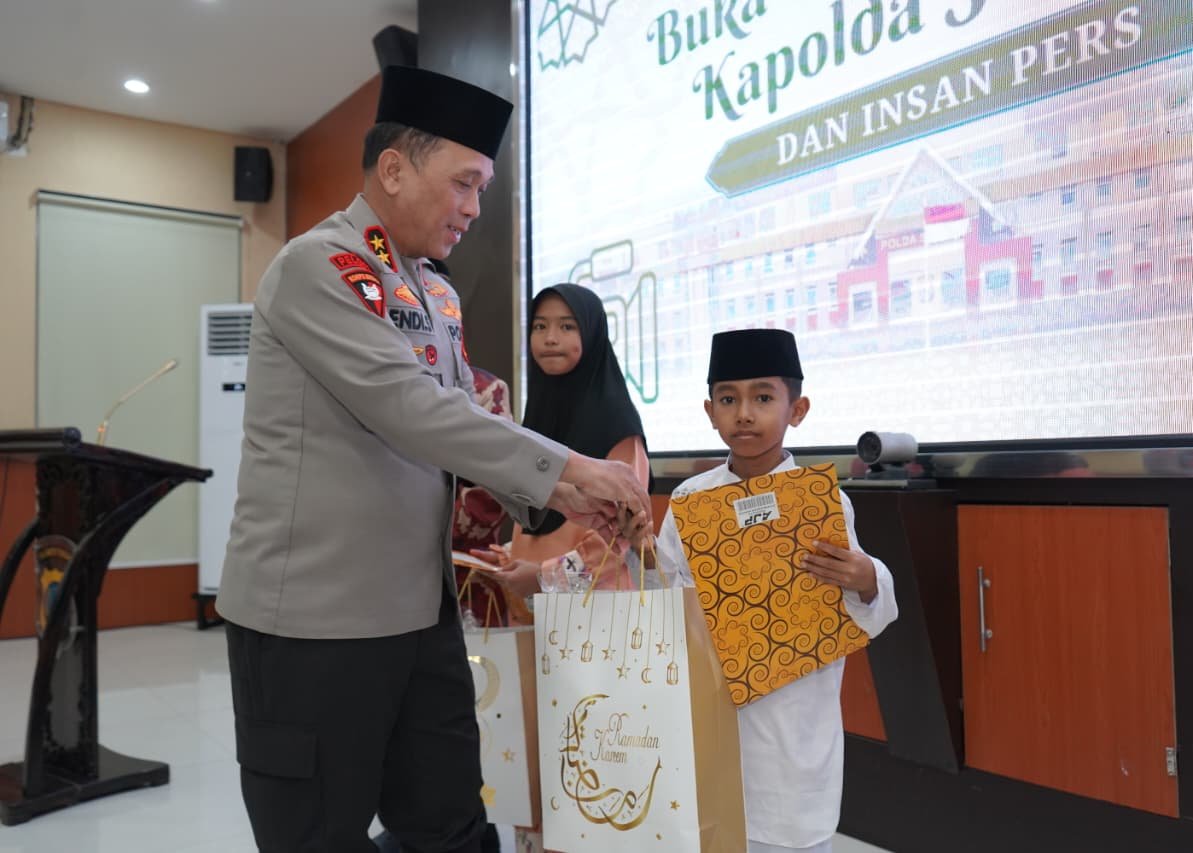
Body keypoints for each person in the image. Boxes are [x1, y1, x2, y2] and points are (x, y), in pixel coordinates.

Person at [215, 66, 649, 853]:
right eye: (465, 183)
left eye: (483, 188)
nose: (475, 208)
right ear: (394, 169)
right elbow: (410, 408)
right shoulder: (321, 267)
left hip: (420, 612)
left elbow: (463, 419)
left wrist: (556, 497)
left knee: (450, 824)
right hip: (315, 622)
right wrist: (572, 471)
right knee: (317, 833)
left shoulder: (433, 293)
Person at [652, 328, 899, 853]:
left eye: (763, 398)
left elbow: (862, 604)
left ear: (797, 409)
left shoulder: (821, 503)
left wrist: (866, 578)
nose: (744, 414)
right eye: (728, 400)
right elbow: (666, 598)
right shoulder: (689, 502)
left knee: (791, 836)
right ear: (710, 411)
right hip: (713, 720)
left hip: (794, 728)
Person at [475, 283, 651, 611]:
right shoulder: (538, 416)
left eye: (567, 327)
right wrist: (511, 557)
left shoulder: (615, 423)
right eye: (540, 326)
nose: (550, 338)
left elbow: (620, 538)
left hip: (598, 617)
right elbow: (541, 521)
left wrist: (543, 575)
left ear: (592, 333)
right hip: (536, 612)